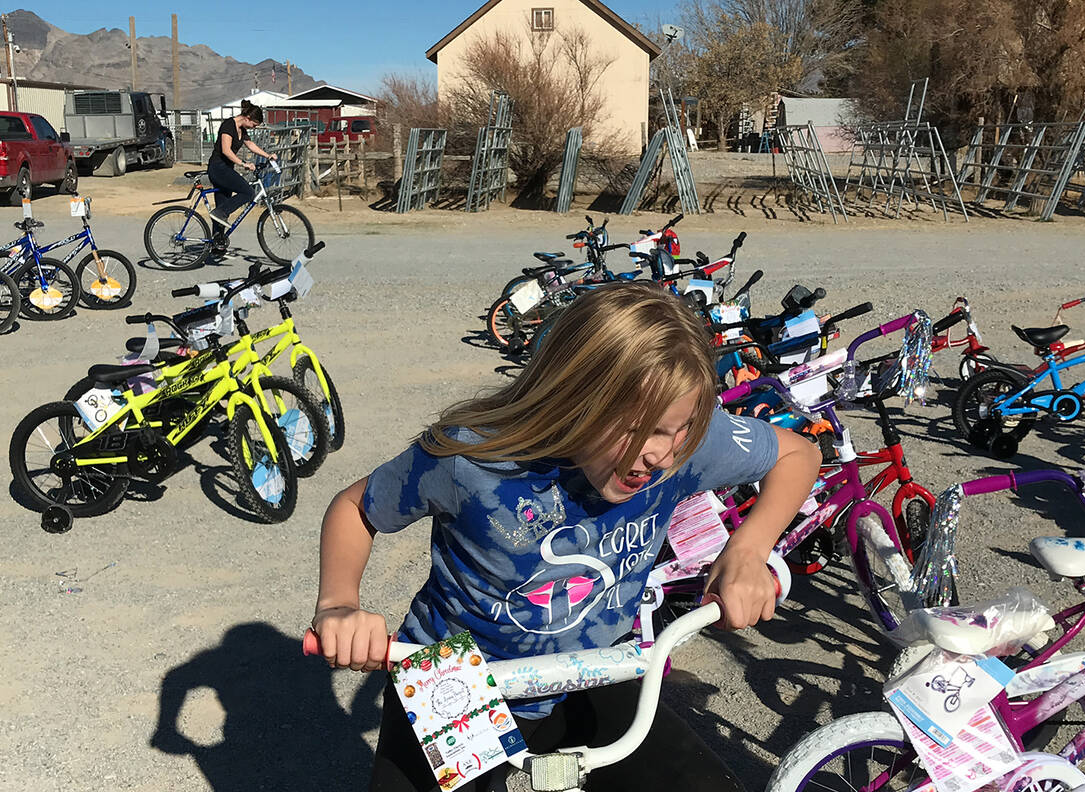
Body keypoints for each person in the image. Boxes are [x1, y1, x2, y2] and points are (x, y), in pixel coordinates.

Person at [312, 282, 821, 792]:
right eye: (635, 428)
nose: (660, 454)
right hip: (460, 681)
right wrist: (338, 604)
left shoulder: (690, 446)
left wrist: (749, 549)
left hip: (596, 666)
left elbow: (800, 454)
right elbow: (357, 508)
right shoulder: (470, 460)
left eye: (678, 428)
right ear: (572, 394)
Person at [207, 99, 275, 230]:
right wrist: (243, 163)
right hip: (218, 168)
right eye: (254, 125)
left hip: (226, 169)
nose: (253, 128)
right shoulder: (228, 125)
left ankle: (217, 245)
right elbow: (226, 150)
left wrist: (268, 155)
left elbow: (250, 145)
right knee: (248, 193)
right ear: (248, 118)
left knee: (222, 208)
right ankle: (220, 213)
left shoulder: (242, 129)